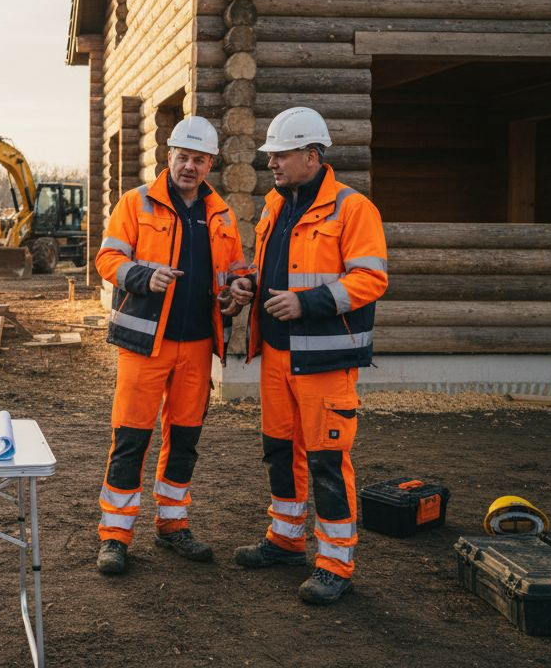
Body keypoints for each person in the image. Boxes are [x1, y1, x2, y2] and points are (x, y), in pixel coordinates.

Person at [227, 106, 388, 604]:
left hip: (324, 361)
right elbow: (275, 267)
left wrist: (305, 302)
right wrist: (248, 284)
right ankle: (285, 540)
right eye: (269, 155)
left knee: (326, 461)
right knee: (281, 452)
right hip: (277, 355)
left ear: (312, 156)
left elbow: (370, 279)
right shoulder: (278, 205)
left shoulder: (353, 208)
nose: (270, 163)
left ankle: (335, 565)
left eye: (280, 154)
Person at [93, 115, 249, 575]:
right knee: (131, 439)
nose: (189, 166)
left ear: (210, 164)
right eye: (183, 157)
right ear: (169, 157)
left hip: (199, 345)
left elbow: (236, 268)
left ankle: (173, 524)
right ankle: (115, 537)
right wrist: (143, 276)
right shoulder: (135, 203)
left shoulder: (220, 213)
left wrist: (239, 290)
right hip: (146, 344)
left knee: (184, 440)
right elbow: (107, 258)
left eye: (199, 160)